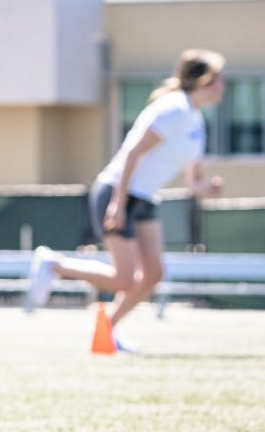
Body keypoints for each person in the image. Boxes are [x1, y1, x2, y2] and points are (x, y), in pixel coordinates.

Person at [26, 49, 228, 350]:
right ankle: (55, 265)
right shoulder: (173, 109)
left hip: (144, 198)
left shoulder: (196, 120)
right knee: (124, 279)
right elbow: (133, 153)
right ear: (204, 81)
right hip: (117, 191)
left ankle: (108, 328)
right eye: (219, 78)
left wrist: (207, 187)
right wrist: (118, 204)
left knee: (154, 274)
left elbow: (193, 180)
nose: (223, 85)